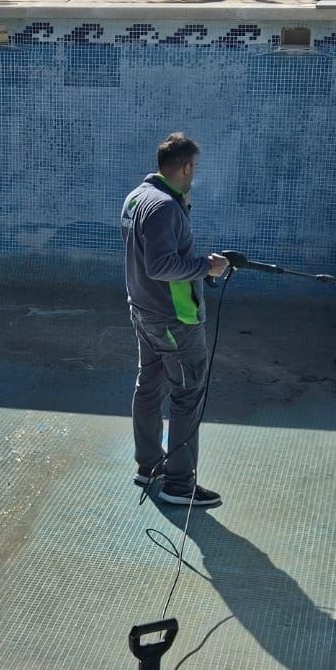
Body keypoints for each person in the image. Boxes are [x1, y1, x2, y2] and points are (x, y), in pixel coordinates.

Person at [121, 132, 229, 508]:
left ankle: (149, 465)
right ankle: (179, 485)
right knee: (186, 395)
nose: (194, 174)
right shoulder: (165, 207)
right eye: (193, 168)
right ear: (185, 167)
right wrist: (207, 267)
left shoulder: (137, 197)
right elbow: (160, 264)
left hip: (143, 311)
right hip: (174, 319)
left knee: (149, 386)